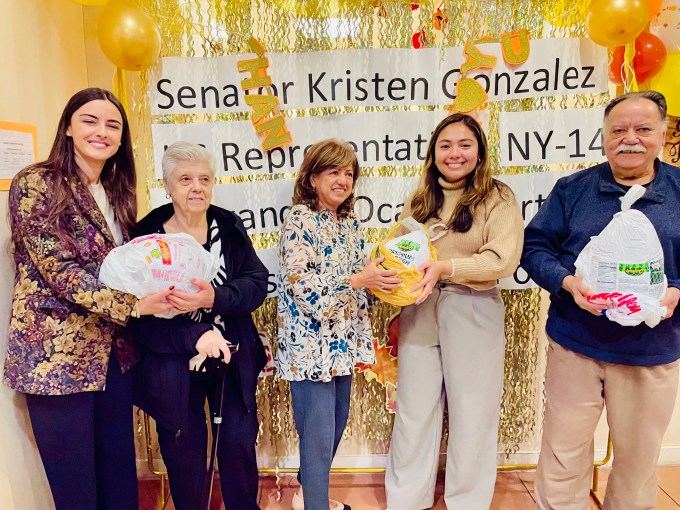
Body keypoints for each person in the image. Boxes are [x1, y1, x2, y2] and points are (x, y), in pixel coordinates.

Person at [4, 88, 176, 510]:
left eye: (112, 125)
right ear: (67, 128)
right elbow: (59, 271)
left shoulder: (118, 193)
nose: (101, 131)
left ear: (121, 139)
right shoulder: (36, 182)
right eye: (89, 120)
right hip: (56, 362)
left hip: (114, 360)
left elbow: (127, 267)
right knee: (77, 492)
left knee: (119, 484)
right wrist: (135, 305)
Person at [521, 91, 680, 509]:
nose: (630, 139)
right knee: (563, 452)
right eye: (618, 130)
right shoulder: (573, 190)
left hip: (651, 352)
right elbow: (535, 247)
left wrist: (676, 286)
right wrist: (568, 283)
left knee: (638, 462)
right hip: (577, 344)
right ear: (604, 136)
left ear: (662, 134)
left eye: (643, 129)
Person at [384, 113, 524, 510]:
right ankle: (406, 500)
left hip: (472, 306)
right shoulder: (420, 200)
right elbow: (397, 251)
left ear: (479, 152)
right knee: (414, 410)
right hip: (420, 309)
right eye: (445, 145)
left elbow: (502, 260)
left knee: (473, 412)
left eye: (465, 144)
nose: (455, 153)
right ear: (433, 153)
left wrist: (447, 267)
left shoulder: (499, 197)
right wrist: (380, 267)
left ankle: (467, 502)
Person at [130, 141, 268, 510]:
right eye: (185, 179)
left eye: (204, 179)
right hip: (173, 363)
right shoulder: (147, 236)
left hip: (232, 357)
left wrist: (214, 299)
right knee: (184, 450)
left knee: (238, 443)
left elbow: (257, 283)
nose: (196, 187)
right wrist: (195, 334)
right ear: (167, 185)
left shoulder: (228, 224)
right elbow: (138, 318)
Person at [275, 139, 401, 510]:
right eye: (333, 171)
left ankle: (306, 495)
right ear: (312, 177)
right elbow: (304, 290)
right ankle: (315, 504)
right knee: (316, 439)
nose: (343, 180)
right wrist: (361, 281)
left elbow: (359, 282)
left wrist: (390, 282)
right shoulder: (300, 220)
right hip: (310, 349)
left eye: (348, 173)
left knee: (333, 429)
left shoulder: (349, 223)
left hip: (341, 347)